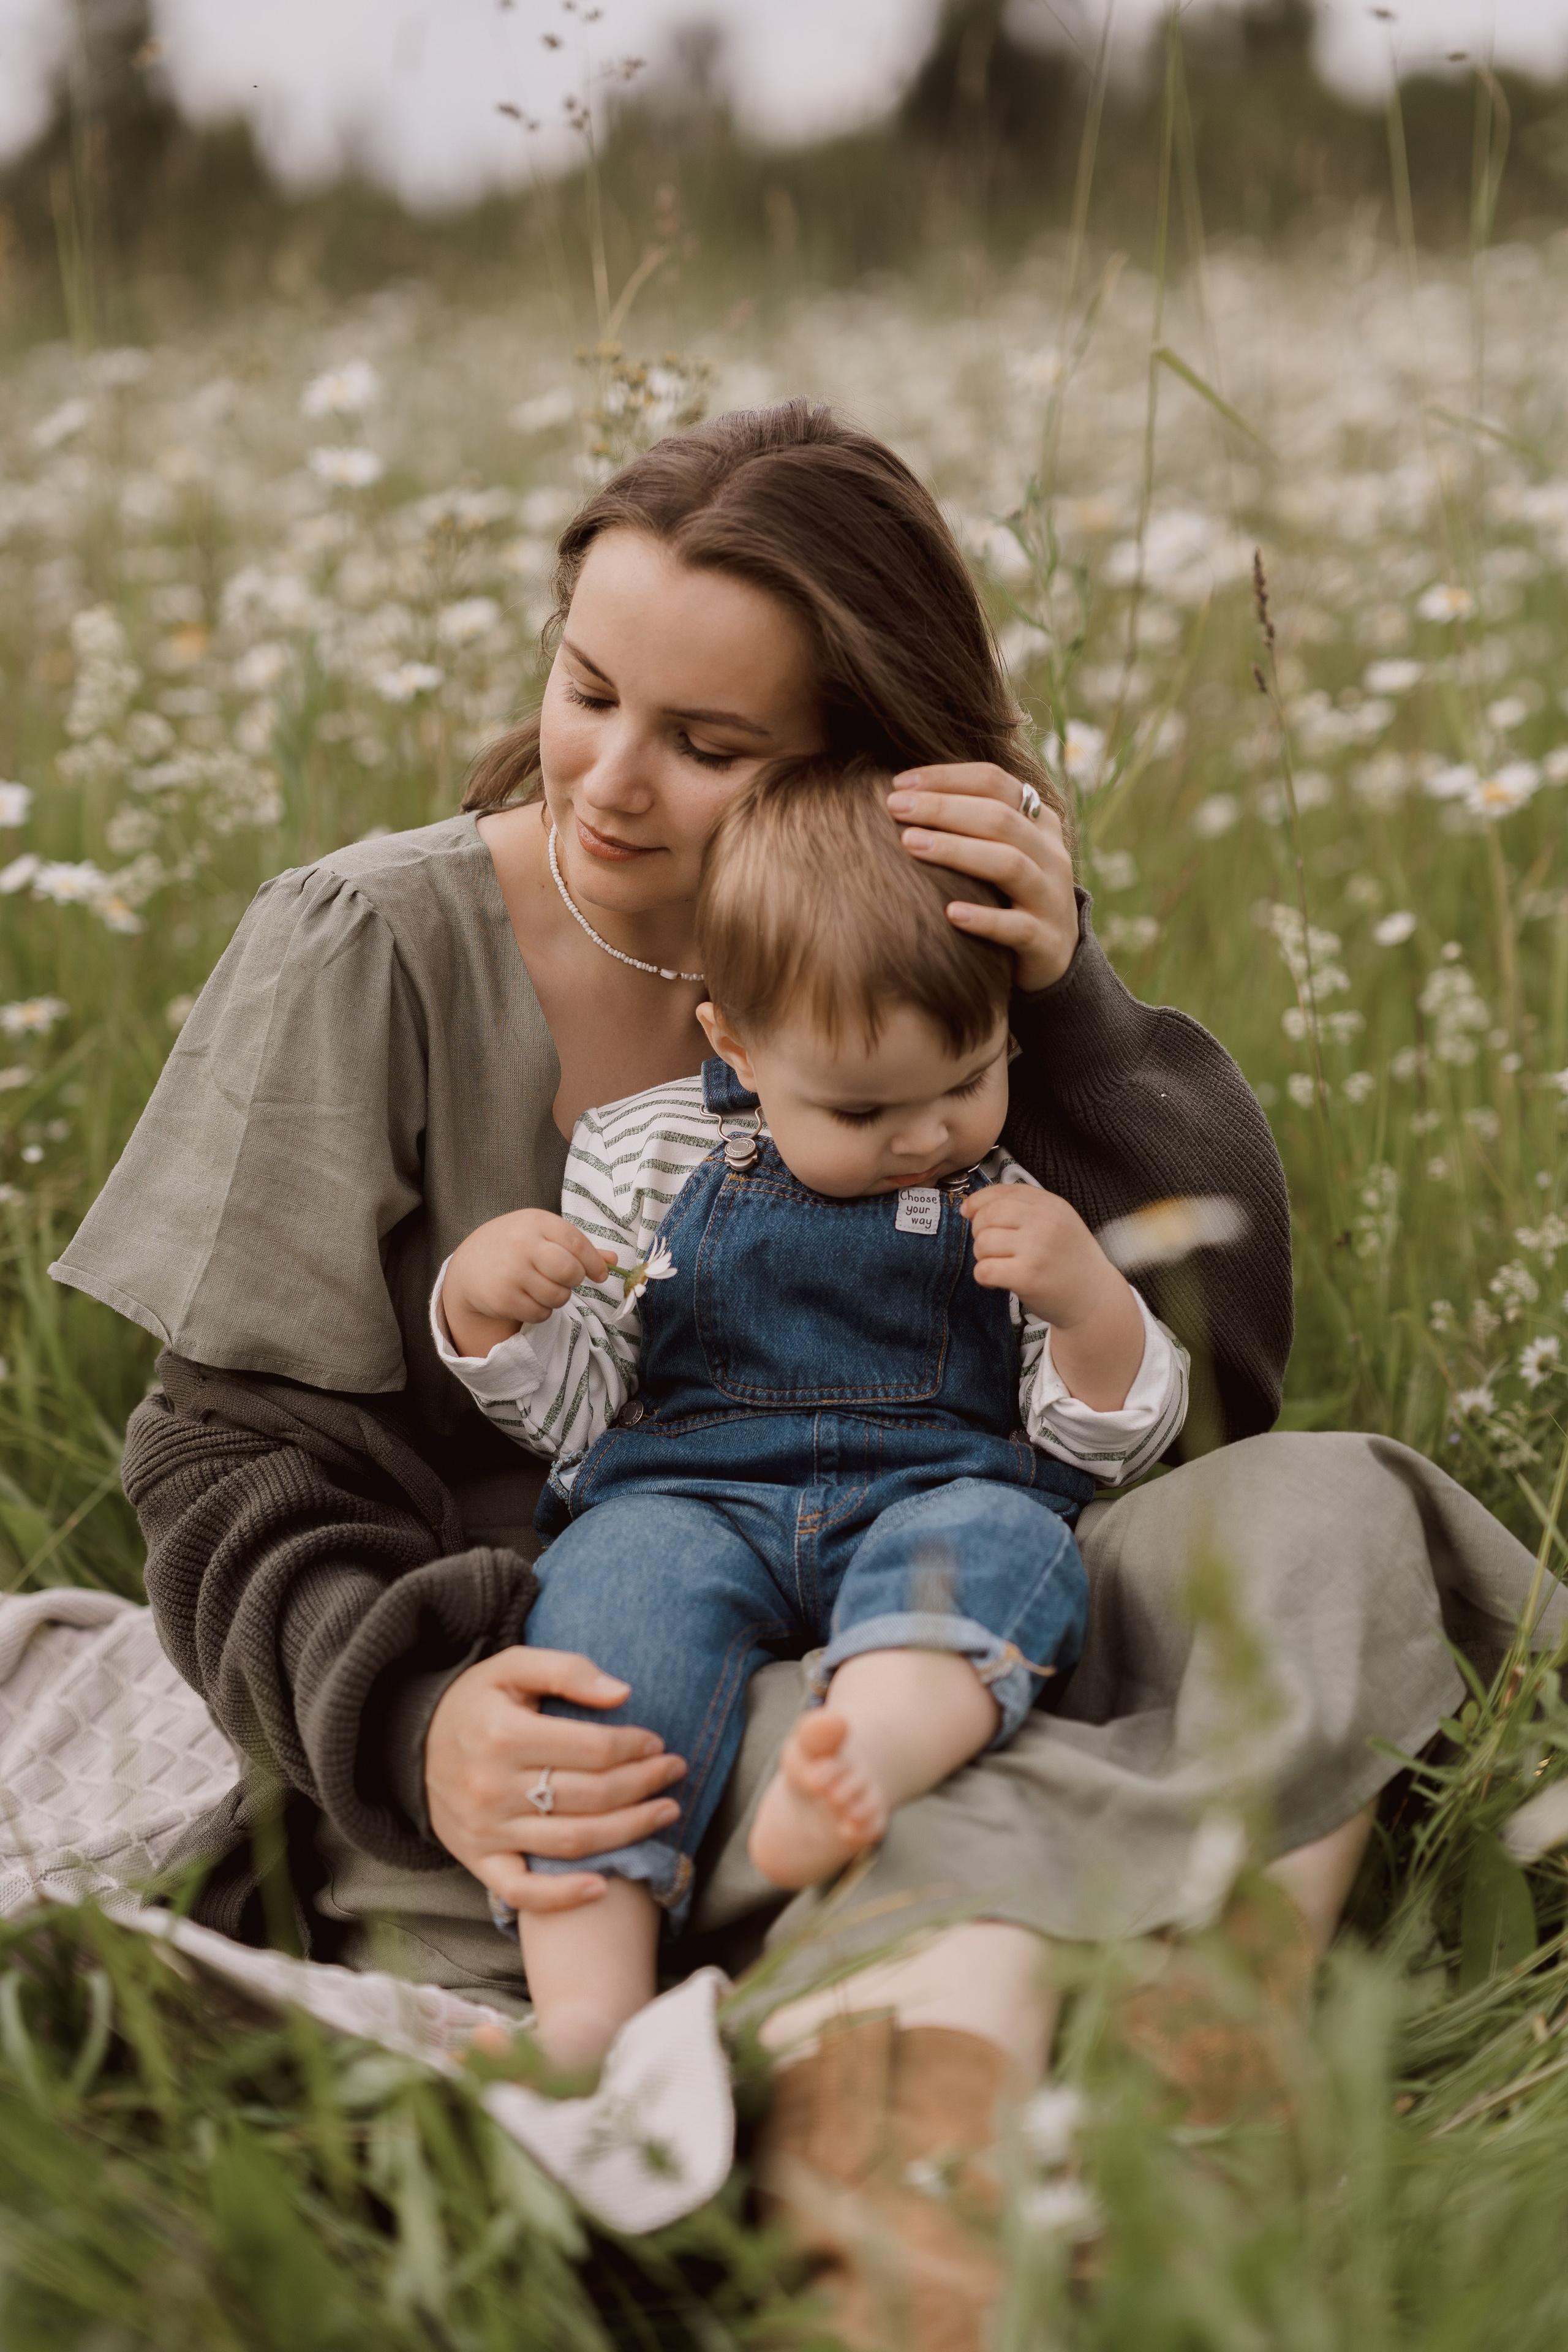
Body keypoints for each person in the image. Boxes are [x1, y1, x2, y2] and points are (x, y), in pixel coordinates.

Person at [50, 401, 1557, 2345]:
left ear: (874, 768)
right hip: (606, 1719)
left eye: (710, 745)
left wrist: (1064, 999)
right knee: (937, 1779)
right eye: (586, 688)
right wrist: (418, 1716)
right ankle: (951, 2138)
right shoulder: (369, 944)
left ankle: (1183, 2053)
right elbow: (221, 1460)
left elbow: (1207, 1390)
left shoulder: (907, 965)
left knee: (1338, 1511)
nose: (610, 779)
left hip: (937, 1620)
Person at [434, 758, 1189, 2066]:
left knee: (1008, 1547)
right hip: (682, 1494)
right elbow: (585, 1408)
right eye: (858, 1108)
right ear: (732, 1041)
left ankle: (858, 1760)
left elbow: (1091, 1442)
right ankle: (585, 2018)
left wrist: (1088, 1307)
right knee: (606, 1626)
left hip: (930, 1485)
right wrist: (490, 1312)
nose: (922, 1135)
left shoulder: (1009, 1185)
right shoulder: (642, 1149)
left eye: (963, 1080)